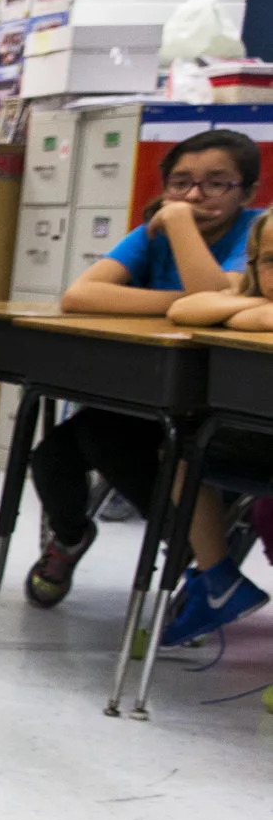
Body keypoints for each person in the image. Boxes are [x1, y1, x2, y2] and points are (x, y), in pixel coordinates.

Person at [24, 129, 263, 608]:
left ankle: (198, 549)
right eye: (180, 183)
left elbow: (219, 297)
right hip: (149, 389)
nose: (194, 196)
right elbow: (80, 296)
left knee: (105, 438)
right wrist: (182, 305)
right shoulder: (150, 232)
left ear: (248, 192)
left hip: (215, 401)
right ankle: (71, 538)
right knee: (52, 454)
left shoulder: (258, 232)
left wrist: (179, 225)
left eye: (216, 183)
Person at [148, 208, 273, 644]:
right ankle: (219, 580)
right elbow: (188, 306)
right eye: (271, 261)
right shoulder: (254, 292)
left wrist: (247, 312)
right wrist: (253, 306)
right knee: (186, 446)